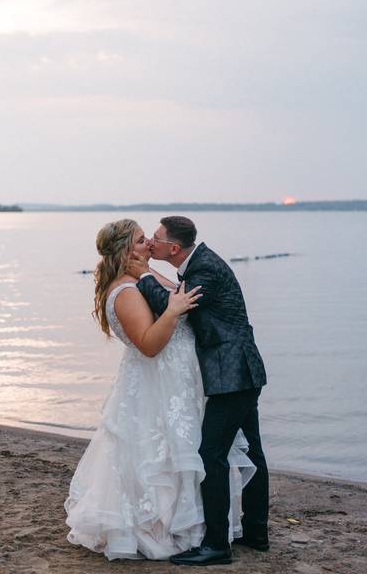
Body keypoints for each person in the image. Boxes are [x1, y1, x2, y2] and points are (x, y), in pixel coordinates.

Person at [65, 219, 256, 561]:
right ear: (126, 250)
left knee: (187, 454)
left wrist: (153, 281)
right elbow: (150, 344)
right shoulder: (124, 293)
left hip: (177, 383)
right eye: (141, 240)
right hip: (159, 384)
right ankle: (165, 529)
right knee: (165, 457)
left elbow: (178, 294)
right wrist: (173, 311)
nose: (149, 244)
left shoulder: (138, 281)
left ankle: (209, 530)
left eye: (150, 238)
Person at [127, 216, 270, 566]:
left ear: (172, 249)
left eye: (156, 239)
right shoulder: (199, 263)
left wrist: (142, 273)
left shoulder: (204, 269)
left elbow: (170, 307)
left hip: (232, 375)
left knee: (211, 455)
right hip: (239, 372)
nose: (151, 242)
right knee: (250, 451)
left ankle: (217, 546)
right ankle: (256, 533)